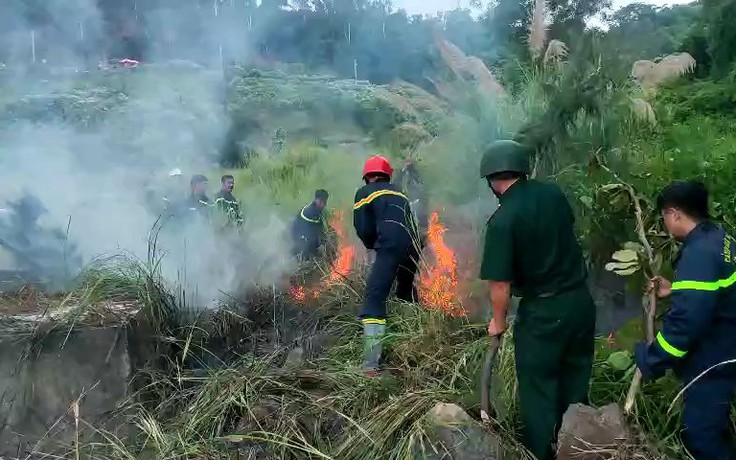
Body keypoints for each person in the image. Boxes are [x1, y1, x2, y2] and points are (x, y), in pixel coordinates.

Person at [478, 140, 595, 460]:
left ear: (491, 179)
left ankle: (542, 451)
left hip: (544, 313)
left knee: (539, 388)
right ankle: (580, 447)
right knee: (576, 380)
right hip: (580, 303)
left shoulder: (503, 220)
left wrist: (498, 323)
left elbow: (500, 284)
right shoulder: (553, 194)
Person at [635, 180, 736, 460]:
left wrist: (652, 358)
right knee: (717, 425)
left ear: (675, 214)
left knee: (702, 438)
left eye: (665, 216)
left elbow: (686, 324)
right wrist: (676, 288)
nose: (665, 223)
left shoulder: (698, 255)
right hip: (728, 342)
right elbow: (712, 292)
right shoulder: (720, 236)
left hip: (714, 359)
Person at [353, 155, 420, 377]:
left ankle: (371, 366)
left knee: (374, 299)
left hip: (389, 246)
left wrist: (374, 245)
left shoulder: (364, 193)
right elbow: (412, 221)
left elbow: (363, 227)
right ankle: (417, 341)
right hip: (413, 246)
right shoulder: (401, 193)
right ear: (387, 175)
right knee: (406, 292)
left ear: (367, 177)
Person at [393, 159, 429, 247]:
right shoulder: (402, 177)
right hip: (407, 205)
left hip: (415, 204)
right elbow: (396, 185)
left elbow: (420, 186)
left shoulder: (415, 178)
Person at [291, 189, 329, 261]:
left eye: (324, 202)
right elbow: (314, 232)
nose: (323, 205)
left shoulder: (317, 210)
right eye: (321, 202)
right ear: (315, 200)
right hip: (300, 240)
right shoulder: (310, 212)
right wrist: (320, 244)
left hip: (303, 236)